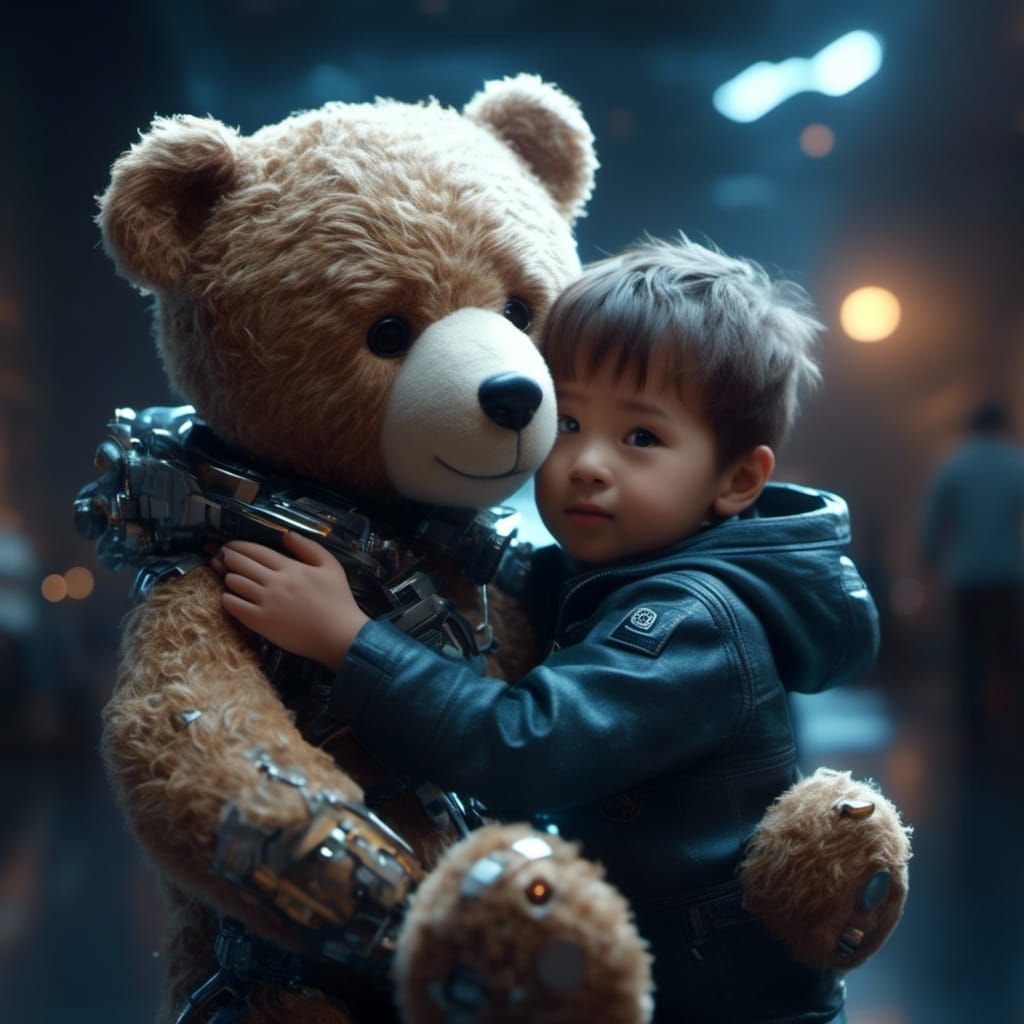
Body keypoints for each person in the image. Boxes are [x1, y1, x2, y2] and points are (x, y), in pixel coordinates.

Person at [214, 238, 878, 1023]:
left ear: (735, 480)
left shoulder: (691, 621)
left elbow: (527, 746)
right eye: (565, 421)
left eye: (641, 438)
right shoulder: (641, 574)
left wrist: (347, 637)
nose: (587, 463)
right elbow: (548, 585)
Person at [920, 401, 1024, 770]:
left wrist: (929, 567)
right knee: (1008, 653)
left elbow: (932, 526)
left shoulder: (954, 463)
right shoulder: (1016, 462)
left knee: (970, 654)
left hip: (966, 577)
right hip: (1009, 575)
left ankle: (973, 733)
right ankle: (1010, 726)